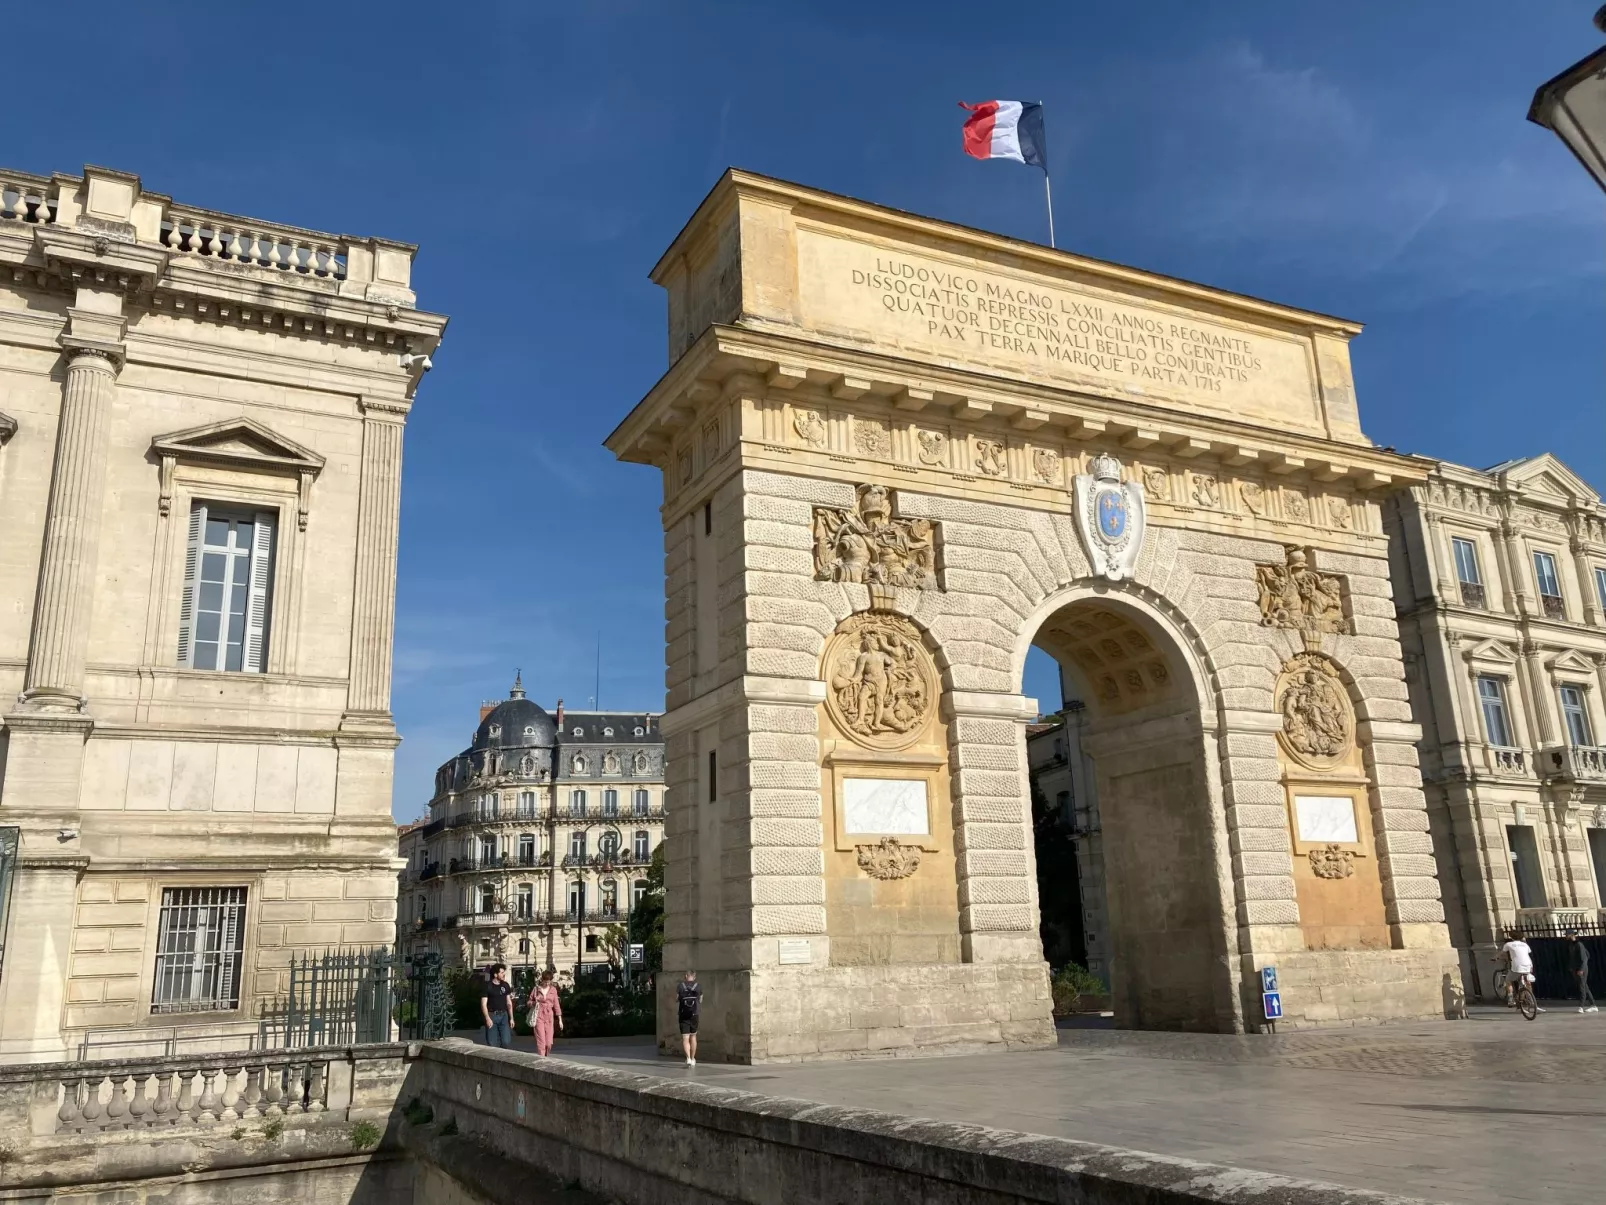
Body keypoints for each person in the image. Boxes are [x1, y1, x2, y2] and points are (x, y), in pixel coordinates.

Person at [1496, 930, 1544, 1014]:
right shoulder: (1525, 945)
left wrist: (1495, 958)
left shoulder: (1508, 944)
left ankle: (1510, 999)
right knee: (1527, 983)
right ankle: (1531, 1002)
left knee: (1508, 980)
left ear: (1511, 937)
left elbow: (1502, 953)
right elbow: (1526, 954)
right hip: (1528, 966)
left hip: (1517, 967)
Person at [528, 969, 564, 1055]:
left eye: (549, 982)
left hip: (549, 1016)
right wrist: (534, 1002)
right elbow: (529, 1002)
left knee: (548, 1043)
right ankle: (542, 1060)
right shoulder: (536, 989)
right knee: (541, 1043)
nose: (547, 983)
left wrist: (560, 1020)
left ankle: (546, 1057)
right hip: (539, 1015)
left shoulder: (553, 990)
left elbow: (556, 1005)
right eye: (546, 981)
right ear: (542, 980)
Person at [479, 963, 515, 1048]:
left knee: (506, 1042)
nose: (503, 974)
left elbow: (509, 1002)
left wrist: (511, 1018)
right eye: (501, 973)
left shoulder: (505, 985)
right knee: (492, 1044)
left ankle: (503, 1058)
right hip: (492, 1016)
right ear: (495, 974)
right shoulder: (488, 986)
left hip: (504, 1016)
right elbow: (483, 1004)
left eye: (504, 972)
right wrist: (487, 1018)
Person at [1568, 930, 1597, 1013]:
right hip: (1575, 969)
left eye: (1567, 934)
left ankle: (1581, 1006)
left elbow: (1585, 958)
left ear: (1572, 935)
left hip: (1582, 969)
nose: (1566, 936)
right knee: (1585, 987)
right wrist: (1572, 968)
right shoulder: (1571, 945)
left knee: (1582, 987)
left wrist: (1581, 969)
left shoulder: (1579, 944)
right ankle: (1593, 1005)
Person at [676, 969, 702, 1066]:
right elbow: (701, 999)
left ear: (686, 976)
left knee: (685, 1038)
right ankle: (693, 1058)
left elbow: (676, 999)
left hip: (683, 1014)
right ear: (694, 977)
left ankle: (687, 1058)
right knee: (693, 1036)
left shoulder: (680, 986)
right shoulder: (698, 986)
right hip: (694, 1014)